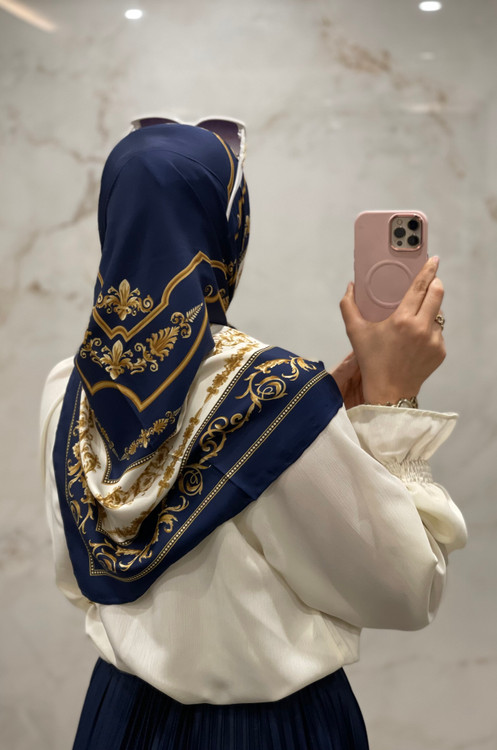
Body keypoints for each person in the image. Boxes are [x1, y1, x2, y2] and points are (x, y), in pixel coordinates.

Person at [40, 120, 468, 750]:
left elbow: (80, 583)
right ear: (227, 229)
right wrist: (393, 404)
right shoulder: (273, 398)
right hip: (270, 731)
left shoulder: (68, 390)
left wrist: (320, 417)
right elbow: (407, 592)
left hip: (117, 716)